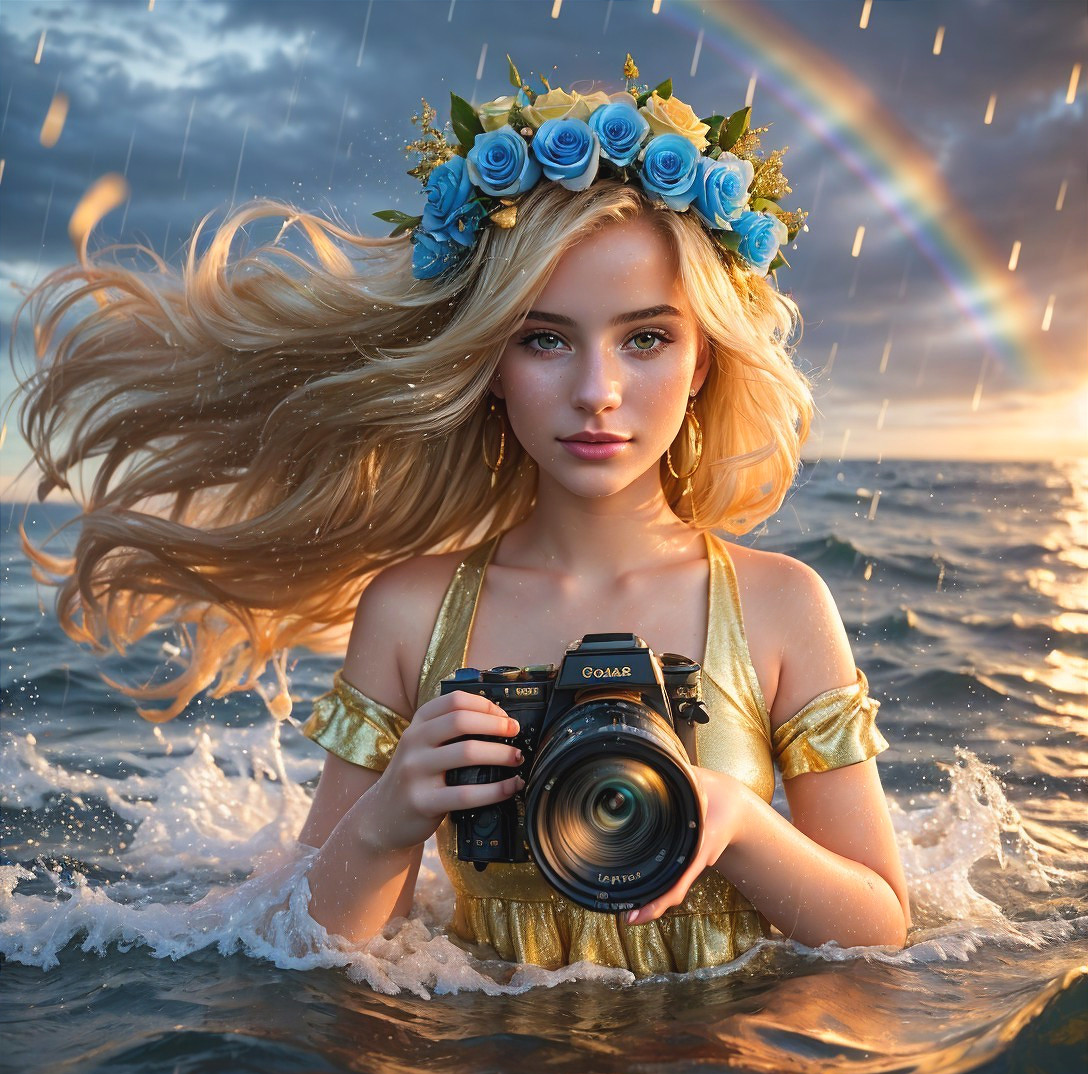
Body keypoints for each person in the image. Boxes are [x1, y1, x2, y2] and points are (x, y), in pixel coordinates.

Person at [13, 56, 910, 979]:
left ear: (704, 363)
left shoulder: (780, 607)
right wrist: (388, 821)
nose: (597, 392)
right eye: (544, 339)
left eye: (646, 337)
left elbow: (883, 927)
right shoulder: (411, 613)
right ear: (489, 362)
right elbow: (315, 950)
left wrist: (741, 821)